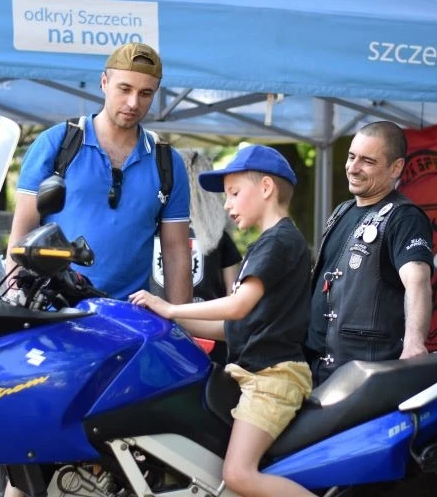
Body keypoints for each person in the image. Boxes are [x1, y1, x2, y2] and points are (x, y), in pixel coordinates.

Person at [130, 145, 314, 497]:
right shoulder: (268, 244)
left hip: (272, 378)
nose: (226, 204)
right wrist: (169, 323)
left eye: (233, 194)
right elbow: (233, 328)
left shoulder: (278, 242)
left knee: (238, 475)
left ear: (265, 188)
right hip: (253, 374)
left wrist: (171, 308)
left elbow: (237, 306)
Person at [8, 42, 191, 304]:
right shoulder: (58, 142)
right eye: (124, 88)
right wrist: (18, 301)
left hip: (129, 318)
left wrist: (181, 323)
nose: (133, 102)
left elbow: (176, 252)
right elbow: (21, 235)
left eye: (145, 93)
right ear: (104, 82)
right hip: (54, 310)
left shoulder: (167, 161)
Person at [306, 121, 434, 385]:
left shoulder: (404, 217)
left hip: (363, 377)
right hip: (317, 372)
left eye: (367, 161)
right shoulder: (341, 211)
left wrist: (413, 343)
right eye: (352, 156)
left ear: (395, 168)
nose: (353, 167)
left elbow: (417, 281)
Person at [149, 149, 242, 364]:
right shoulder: (220, 237)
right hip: (210, 340)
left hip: (157, 333)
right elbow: (233, 295)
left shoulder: (151, 230)